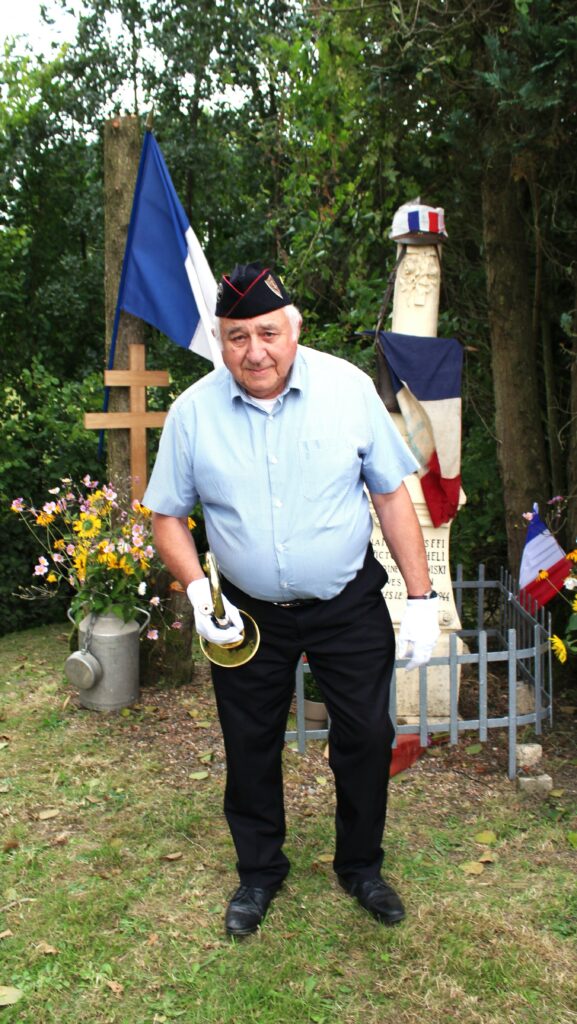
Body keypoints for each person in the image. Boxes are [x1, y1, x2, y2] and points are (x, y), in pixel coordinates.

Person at [143, 262, 440, 938]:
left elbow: (390, 494)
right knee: (249, 741)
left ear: (294, 328)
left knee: (366, 736)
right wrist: (196, 589)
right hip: (245, 610)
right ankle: (258, 874)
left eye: (268, 332)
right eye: (237, 336)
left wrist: (420, 597)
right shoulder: (193, 412)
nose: (254, 351)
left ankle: (360, 865)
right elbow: (167, 514)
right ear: (220, 340)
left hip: (345, 602)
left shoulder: (347, 389)